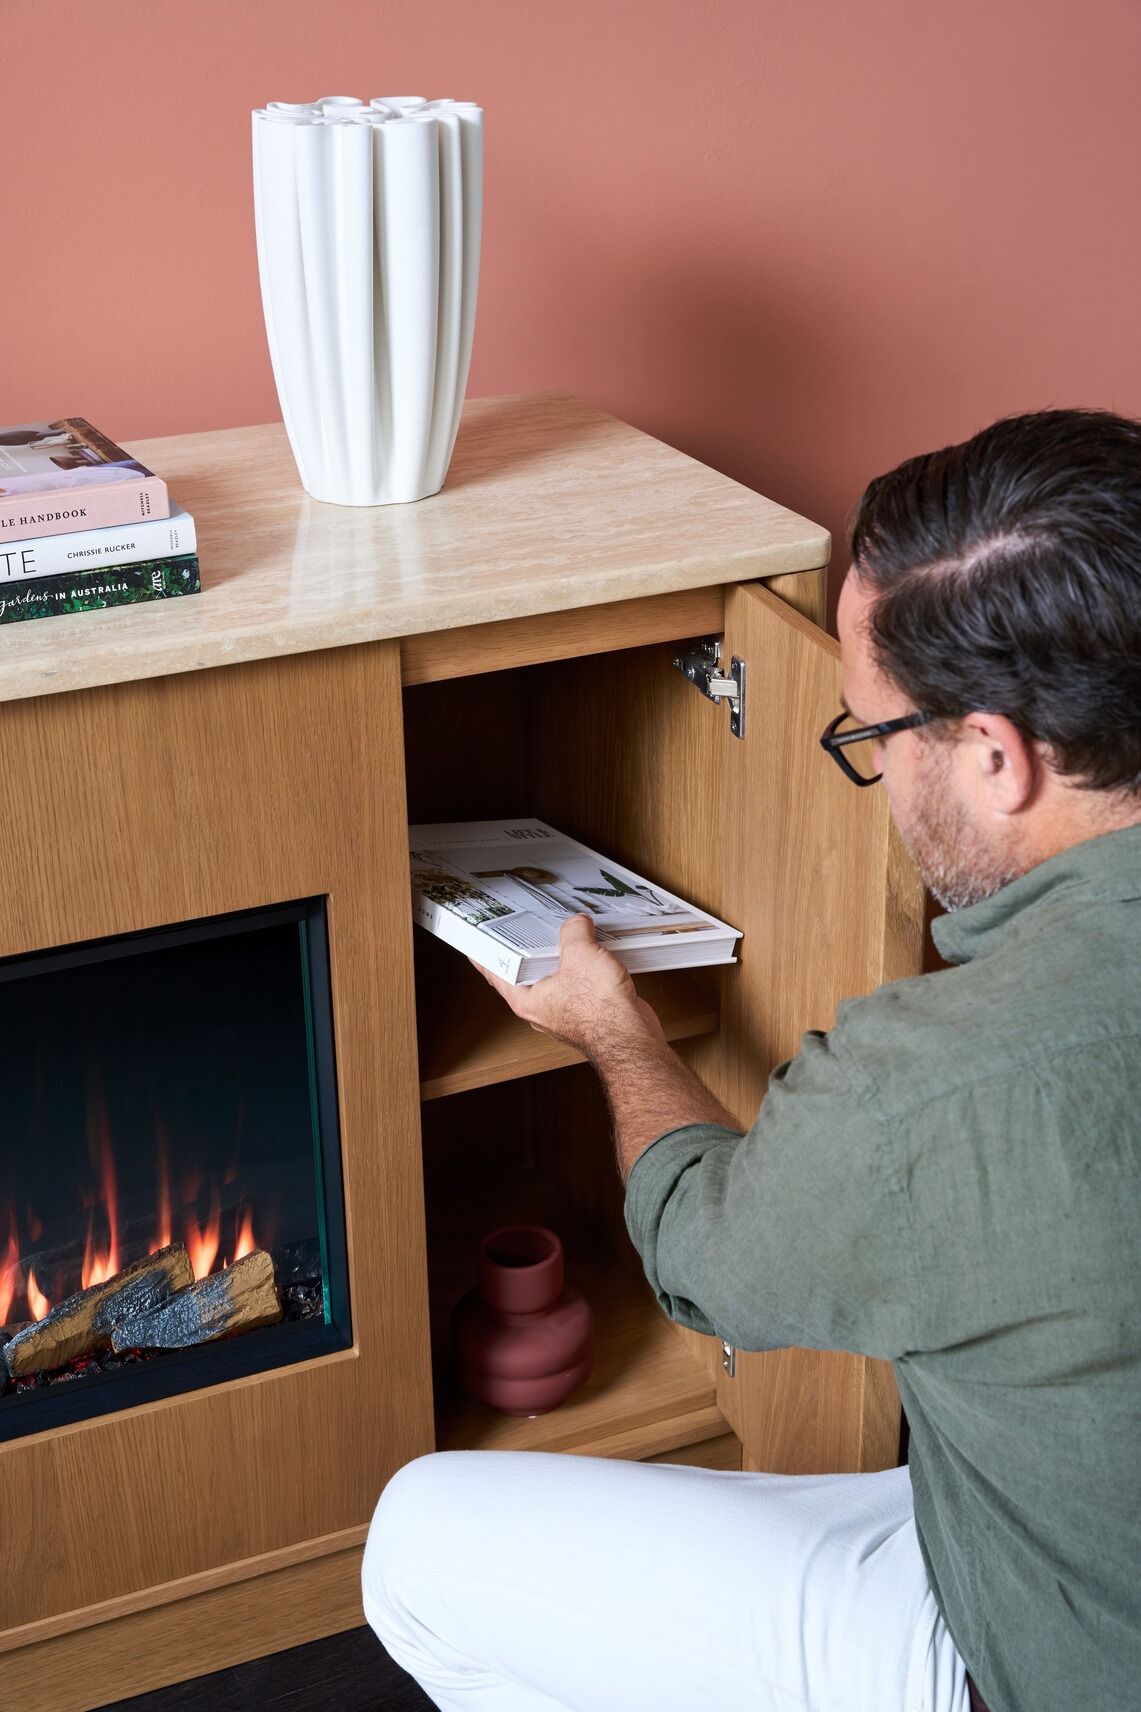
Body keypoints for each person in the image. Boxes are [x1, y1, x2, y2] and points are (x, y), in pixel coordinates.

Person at [362, 409, 1141, 1712]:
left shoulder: (940, 1084)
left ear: (996, 756)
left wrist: (613, 1032)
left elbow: (704, 1262)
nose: (878, 779)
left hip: (1052, 1659)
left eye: (873, 736)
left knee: (419, 1538)